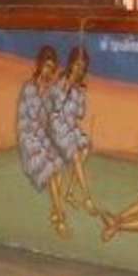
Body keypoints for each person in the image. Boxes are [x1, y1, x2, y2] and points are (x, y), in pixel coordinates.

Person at [16, 45, 70, 235]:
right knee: (51, 170)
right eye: (46, 66)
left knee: (59, 166)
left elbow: (57, 109)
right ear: (40, 65)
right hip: (29, 137)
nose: (48, 71)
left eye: (51, 68)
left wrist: (60, 89)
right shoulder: (29, 88)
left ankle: (56, 211)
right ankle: (60, 216)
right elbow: (31, 119)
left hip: (42, 136)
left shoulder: (50, 90)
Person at [56, 46, 94, 210]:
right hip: (59, 129)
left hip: (72, 128)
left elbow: (80, 114)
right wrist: (66, 91)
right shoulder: (62, 82)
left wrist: (80, 97)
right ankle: (87, 198)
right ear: (71, 64)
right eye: (77, 64)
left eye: (82, 67)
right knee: (76, 155)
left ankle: (70, 192)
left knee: (85, 148)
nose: (79, 69)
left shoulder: (79, 89)